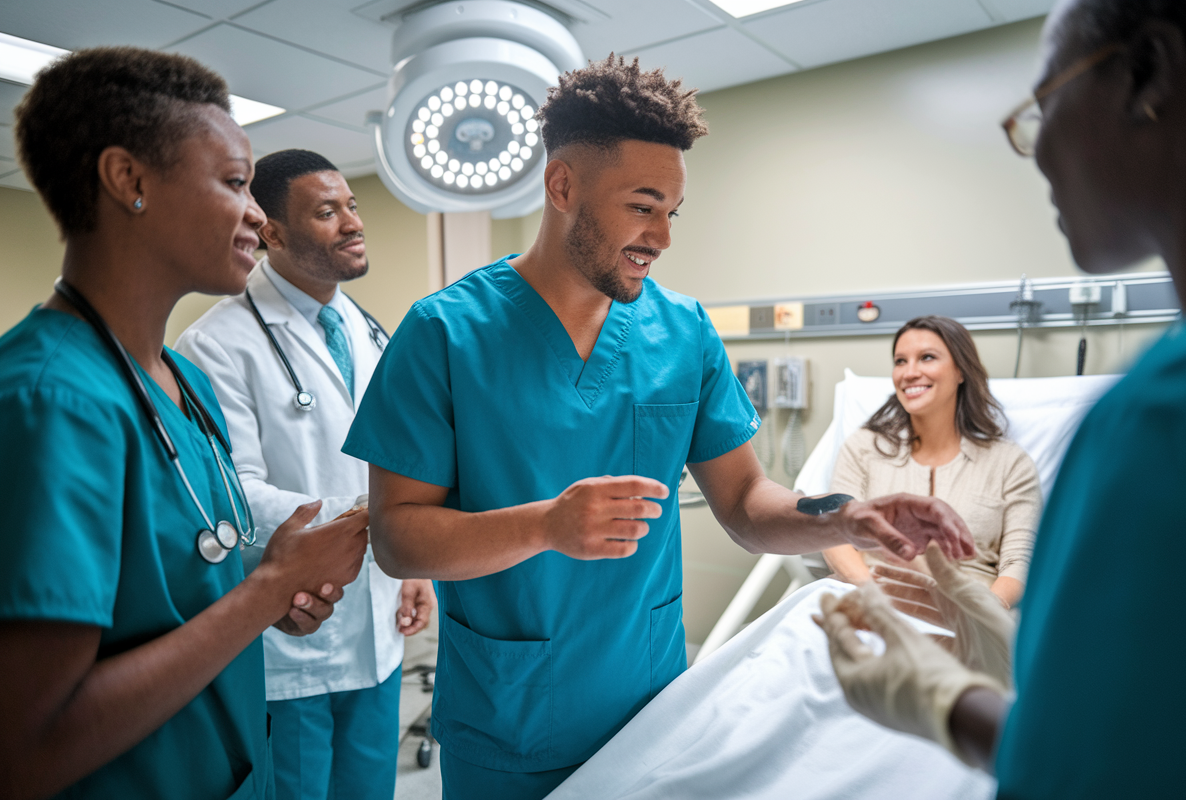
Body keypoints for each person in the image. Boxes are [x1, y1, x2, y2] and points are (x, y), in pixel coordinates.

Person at [341, 54, 976, 799]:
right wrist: (547, 526)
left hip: (654, 707)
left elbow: (744, 504)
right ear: (562, 185)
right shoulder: (445, 335)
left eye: (672, 212)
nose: (662, 237)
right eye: (642, 206)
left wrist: (847, 517)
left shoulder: (683, 332)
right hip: (506, 721)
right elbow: (396, 537)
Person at [817, 0, 1186, 795]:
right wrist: (1014, 648)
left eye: (1043, 106)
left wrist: (945, 701)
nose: (1034, 154)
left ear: (1147, 73)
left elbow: (1099, 774)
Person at [0, 48, 370, 799]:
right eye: (235, 182)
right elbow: (28, 749)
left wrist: (269, 586)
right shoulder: (51, 402)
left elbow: (177, 581)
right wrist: (266, 592)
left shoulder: (184, 382)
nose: (259, 216)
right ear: (129, 181)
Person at [175, 149, 437, 800]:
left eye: (351, 206)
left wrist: (410, 565)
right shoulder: (215, 344)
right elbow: (232, 493)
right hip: (290, 642)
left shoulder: (367, 330)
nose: (352, 222)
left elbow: (396, 461)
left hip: (377, 634)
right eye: (327, 212)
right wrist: (380, 521)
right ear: (272, 232)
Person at [822, 316, 1040, 612]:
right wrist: (877, 597)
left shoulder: (1009, 463)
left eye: (927, 358)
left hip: (967, 611)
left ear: (961, 370)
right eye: (900, 361)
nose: (909, 373)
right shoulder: (864, 448)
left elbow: (1019, 563)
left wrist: (982, 614)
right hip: (870, 602)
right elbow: (836, 535)